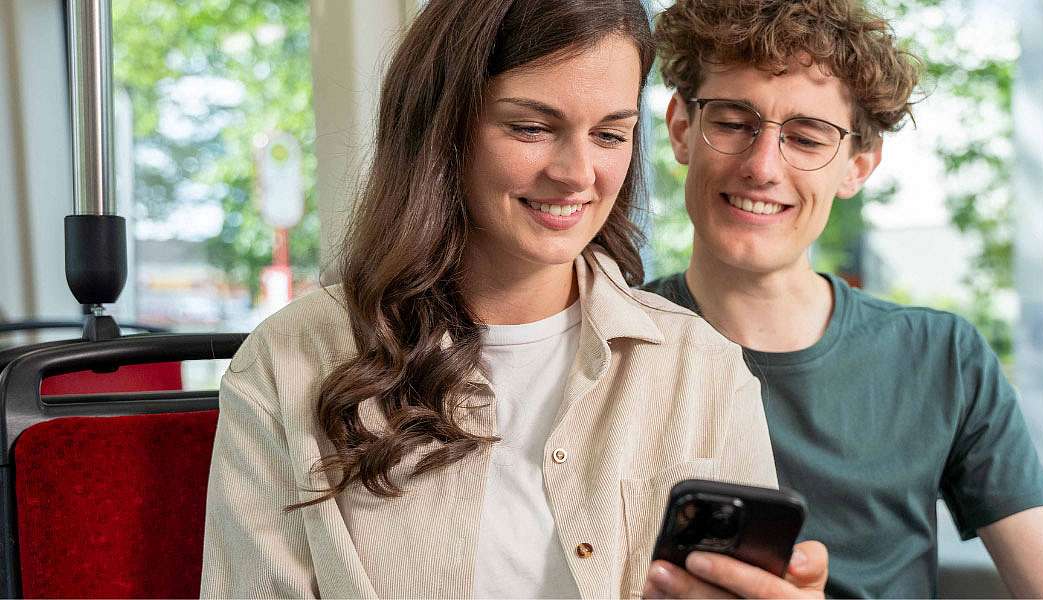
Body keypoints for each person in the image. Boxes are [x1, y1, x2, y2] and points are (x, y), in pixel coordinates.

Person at [200, 1, 818, 597]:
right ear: (443, 129)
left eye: (609, 134)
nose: (578, 173)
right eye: (530, 127)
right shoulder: (287, 363)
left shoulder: (704, 368)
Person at [640, 0, 1043, 597]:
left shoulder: (942, 357)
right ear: (682, 129)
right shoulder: (604, 344)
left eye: (806, 138)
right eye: (732, 122)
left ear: (858, 166)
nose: (762, 166)